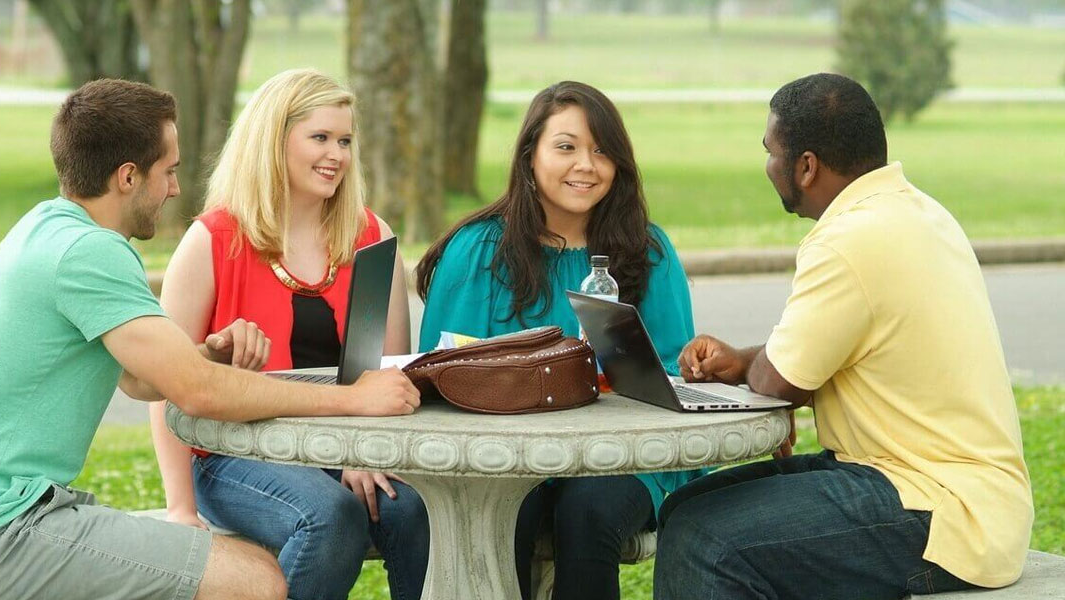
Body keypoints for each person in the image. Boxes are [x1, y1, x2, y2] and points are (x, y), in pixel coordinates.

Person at [0, 78, 420, 600]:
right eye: (168, 172)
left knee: (258, 567)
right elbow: (198, 393)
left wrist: (206, 354)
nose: (174, 189)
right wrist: (352, 399)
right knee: (256, 580)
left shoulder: (49, 228)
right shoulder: (91, 254)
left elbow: (141, 378)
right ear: (128, 177)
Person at [653, 73, 1033, 599]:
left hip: (942, 508)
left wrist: (756, 368)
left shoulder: (845, 238)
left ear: (806, 166)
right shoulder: (919, 212)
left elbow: (782, 382)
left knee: (703, 540)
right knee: (685, 509)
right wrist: (742, 362)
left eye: (770, 152)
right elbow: (816, 359)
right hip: (952, 492)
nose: (767, 166)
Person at [415, 81, 704, 600]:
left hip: (621, 456)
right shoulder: (477, 250)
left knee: (589, 510)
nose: (586, 166)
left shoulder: (647, 250)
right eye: (566, 147)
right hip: (502, 456)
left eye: (602, 151)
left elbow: (671, 374)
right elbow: (444, 372)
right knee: (505, 512)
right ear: (530, 155)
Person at [149, 69, 430, 600]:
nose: (336, 155)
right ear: (272, 141)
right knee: (330, 515)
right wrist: (180, 507)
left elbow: (388, 377)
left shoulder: (371, 237)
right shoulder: (213, 239)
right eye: (320, 137)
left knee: (412, 510)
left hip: (344, 445)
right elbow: (164, 382)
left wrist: (366, 453)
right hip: (233, 453)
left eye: (345, 141)